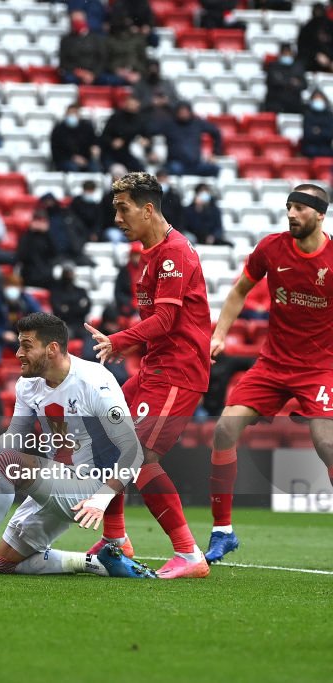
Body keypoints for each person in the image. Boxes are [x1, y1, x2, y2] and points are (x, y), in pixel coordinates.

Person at [0, 313, 151, 579]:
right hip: (56, 482)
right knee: (5, 564)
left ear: (51, 349)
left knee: (8, 464)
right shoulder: (27, 385)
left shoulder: (95, 383)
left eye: (27, 345)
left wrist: (102, 498)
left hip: (91, 488)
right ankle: (98, 563)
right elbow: (14, 439)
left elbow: (133, 452)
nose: (18, 353)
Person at [84, 172, 212, 579]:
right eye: (115, 208)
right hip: (156, 365)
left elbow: (168, 319)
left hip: (178, 370)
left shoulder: (174, 253)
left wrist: (119, 340)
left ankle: (189, 554)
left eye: (123, 208)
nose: (118, 217)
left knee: (138, 456)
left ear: (148, 209)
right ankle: (116, 539)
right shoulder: (149, 252)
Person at [205, 184, 333, 564]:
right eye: (289, 207)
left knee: (326, 443)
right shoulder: (271, 248)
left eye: (300, 209)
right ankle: (222, 531)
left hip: (319, 368)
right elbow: (240, 289)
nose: (292, 214)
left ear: (321, 215)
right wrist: (220, 334)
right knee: (225, 428)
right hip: (273, 364)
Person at [0, 274, 42, 365]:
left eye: (16, 286)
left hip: (20, 336)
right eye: (10, 286)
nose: (13, 289)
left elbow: (39, 315)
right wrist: (2, 334)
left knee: (36, 357)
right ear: (4, 287)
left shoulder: (26, 300)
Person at [156, 102, 223, 177]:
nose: (183, 114)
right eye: (181, 112)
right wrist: (149, 150)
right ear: (176, 113)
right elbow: (150, 131)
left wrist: (215, 153)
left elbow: (216, 132)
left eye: (185, 112)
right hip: (176, 165)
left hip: (196, 165)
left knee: (215, 169)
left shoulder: (197, 123)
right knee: (172, 169)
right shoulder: (169, 125)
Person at [58, 12, 112, 86]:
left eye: (79, 21)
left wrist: (93, 74)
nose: (76, 23)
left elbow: (102, 59)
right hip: (75, 73)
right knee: (68, 79)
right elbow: (64, 62)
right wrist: (80, 73)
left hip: (94, 73)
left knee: (110, 80)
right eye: (74, 21)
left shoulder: (96, 39)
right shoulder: (66, 40)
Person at [100, 94, 150, 173]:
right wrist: (112, 142)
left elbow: (146, 136)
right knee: (118, 171)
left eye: (134, 104)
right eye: (130, 104)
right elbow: (103, 136)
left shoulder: (140, 120)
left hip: (126, 153)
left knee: (142, 173)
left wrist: (146, 141)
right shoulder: (116, 117)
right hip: (110, 153)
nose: (132, 106)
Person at [50, 104, 101, 173]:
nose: (73, 116)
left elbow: (94, 141)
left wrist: (94, 148)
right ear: (66, 114)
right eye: (70, 113)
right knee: (73, 168)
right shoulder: (58, 129)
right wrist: (72, 158)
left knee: (96, 168)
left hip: (85, 159)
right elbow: (56, 151)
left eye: (75, 113)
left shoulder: (87, 127)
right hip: (66, 160)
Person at [264, 43, 308, 115]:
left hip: (294, 104)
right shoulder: (274, 66)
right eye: (285, 53)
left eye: (289, 53)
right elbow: (274, 82)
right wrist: (292, 81)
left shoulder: (298, 67)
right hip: (276, 103)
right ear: (280, 54)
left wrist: (284, 80)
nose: (287, 55)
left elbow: (304, 85)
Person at [301, 91, 333, 158]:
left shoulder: (329, 115)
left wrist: (318, 131)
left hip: (326, 147)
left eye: (320, 98)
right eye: (316, 99)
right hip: (310, 148)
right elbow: (307, 134)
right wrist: (323, 131)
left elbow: (330, 134)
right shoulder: (308, 115)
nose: (318, 101)